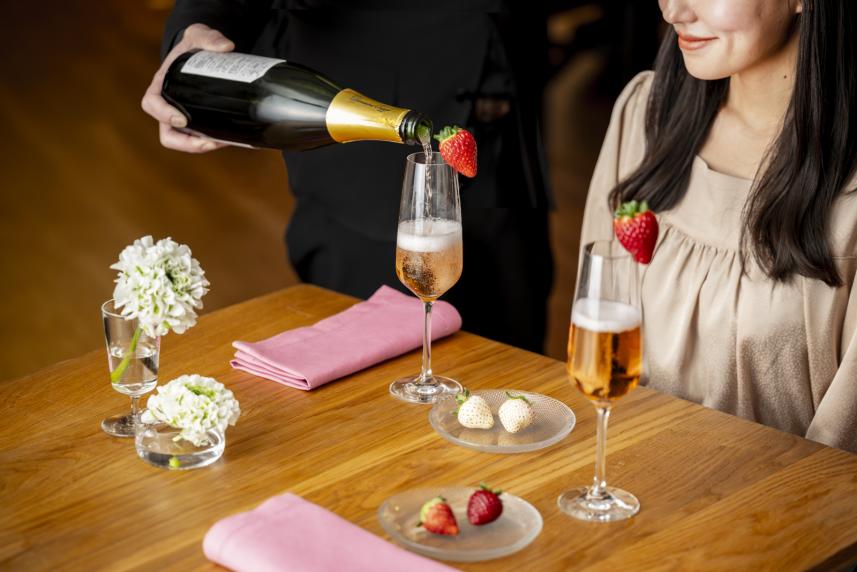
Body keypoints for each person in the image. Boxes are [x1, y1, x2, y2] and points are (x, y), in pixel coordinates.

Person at [141, 2, 553, 353]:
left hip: (512, 163)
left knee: (517, 383)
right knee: (377, 396)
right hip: (368, 181)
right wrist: (195, 33)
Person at [581, 0, 857, 452]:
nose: (673, 11)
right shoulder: (644, 112)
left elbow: (840, 452)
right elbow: (595, 338)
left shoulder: (849, 194)